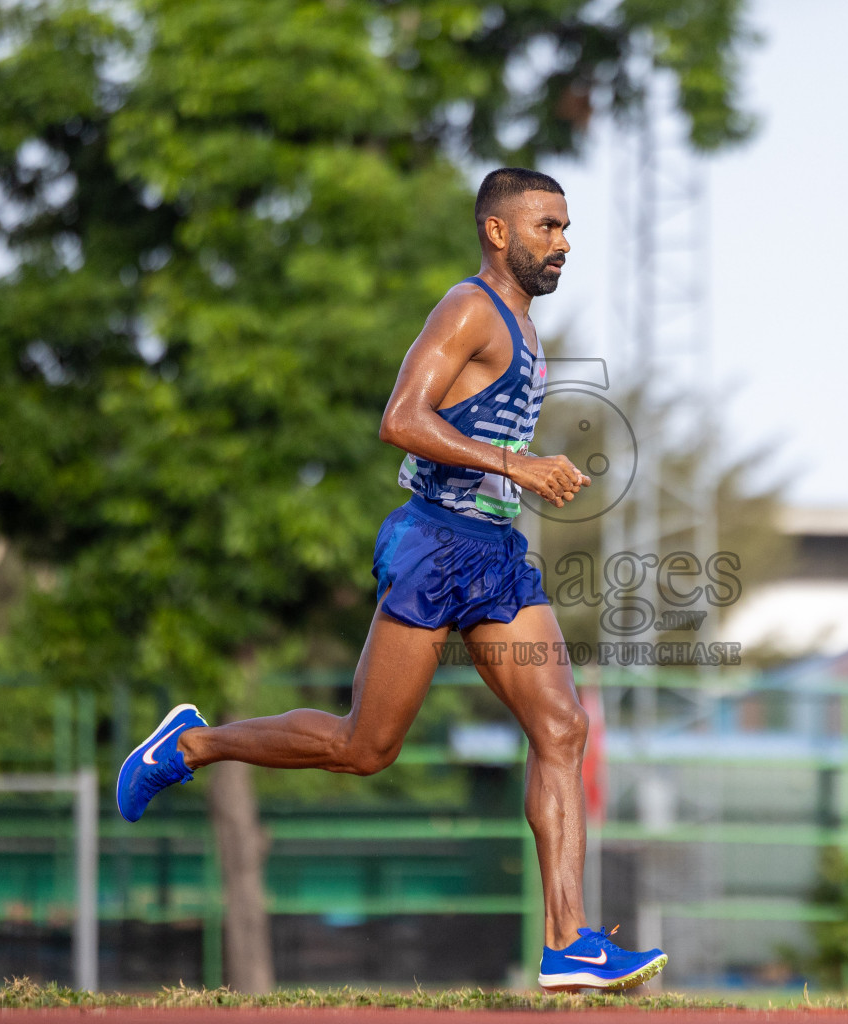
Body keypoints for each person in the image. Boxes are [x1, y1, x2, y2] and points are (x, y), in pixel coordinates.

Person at [115, 167, 668, 993]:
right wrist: (519, 462)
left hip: (494, 551)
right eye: (546, 227)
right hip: (433, 546)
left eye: (564, 228)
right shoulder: (469, 307)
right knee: (364, 748)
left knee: (562, 729)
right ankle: (193, 744)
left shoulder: (522, 322)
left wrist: (515, 483)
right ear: (497, 232)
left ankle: (569, 944)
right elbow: (400, 420)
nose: (562, 244)